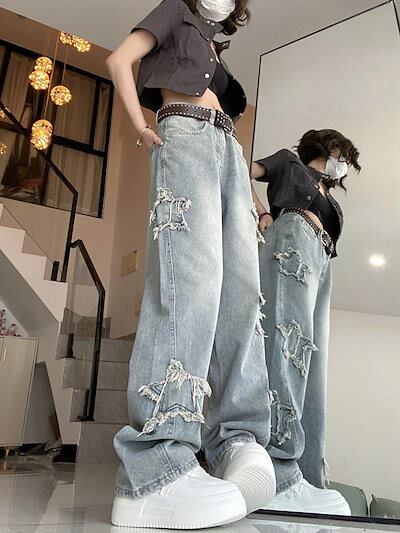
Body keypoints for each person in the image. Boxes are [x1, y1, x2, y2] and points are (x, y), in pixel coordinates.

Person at [106, 0, 275, 528]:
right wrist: (139, 126)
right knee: (191, 286)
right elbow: (119, 59)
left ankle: (236, 438)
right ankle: (155, 466)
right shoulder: (174, 10)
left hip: (227, 150)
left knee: (242, 295)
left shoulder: (210, 45)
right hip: (185, 134)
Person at [250, 129, 361, 515]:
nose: (343, 164)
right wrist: (261, 212)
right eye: (341, 155)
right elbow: (240, 169)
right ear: (328, 148)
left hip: (321, 259)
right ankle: (277, 472)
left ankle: (308, 477)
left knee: (313, 368)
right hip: (292, 239)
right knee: (288, 351)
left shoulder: (332, 200)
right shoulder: (290, 162)